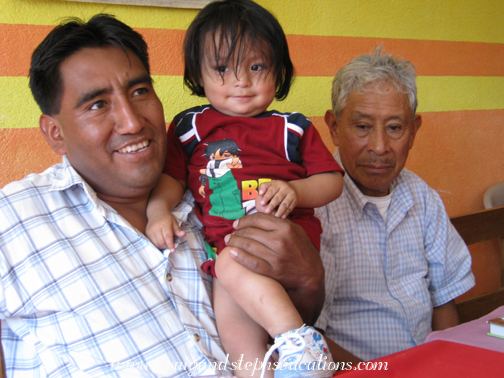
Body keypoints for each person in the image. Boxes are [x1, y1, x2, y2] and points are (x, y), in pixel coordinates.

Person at [0, 14, 326, 377]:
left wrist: (310, 281)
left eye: (139, 92)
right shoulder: (12, 220)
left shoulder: (212, 200)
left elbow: (288, 338)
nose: (132, 122)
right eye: (97, 105)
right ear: (55, 132)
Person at [145, 1, 344, 377]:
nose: (241, 81)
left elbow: (333, 181)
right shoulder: (190, 127)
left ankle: (301, 344)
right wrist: (158, 212)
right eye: (222, 68)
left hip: (285, 243)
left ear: (279, 71)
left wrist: (297, 192)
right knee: (232, 325)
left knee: (228, 268)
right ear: (196, 73)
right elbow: (171, 179)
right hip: (228, 253)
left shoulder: (292, 128)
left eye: (256, 67)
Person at [315, 47, 476, 363]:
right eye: (362, 127)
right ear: (334, 128)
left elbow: (443, 301)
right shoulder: (319, 207)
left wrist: (445, 363)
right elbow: (307, 333)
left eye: (394, 128)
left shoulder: (423, 198)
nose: (379, 146)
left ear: (413, 131)